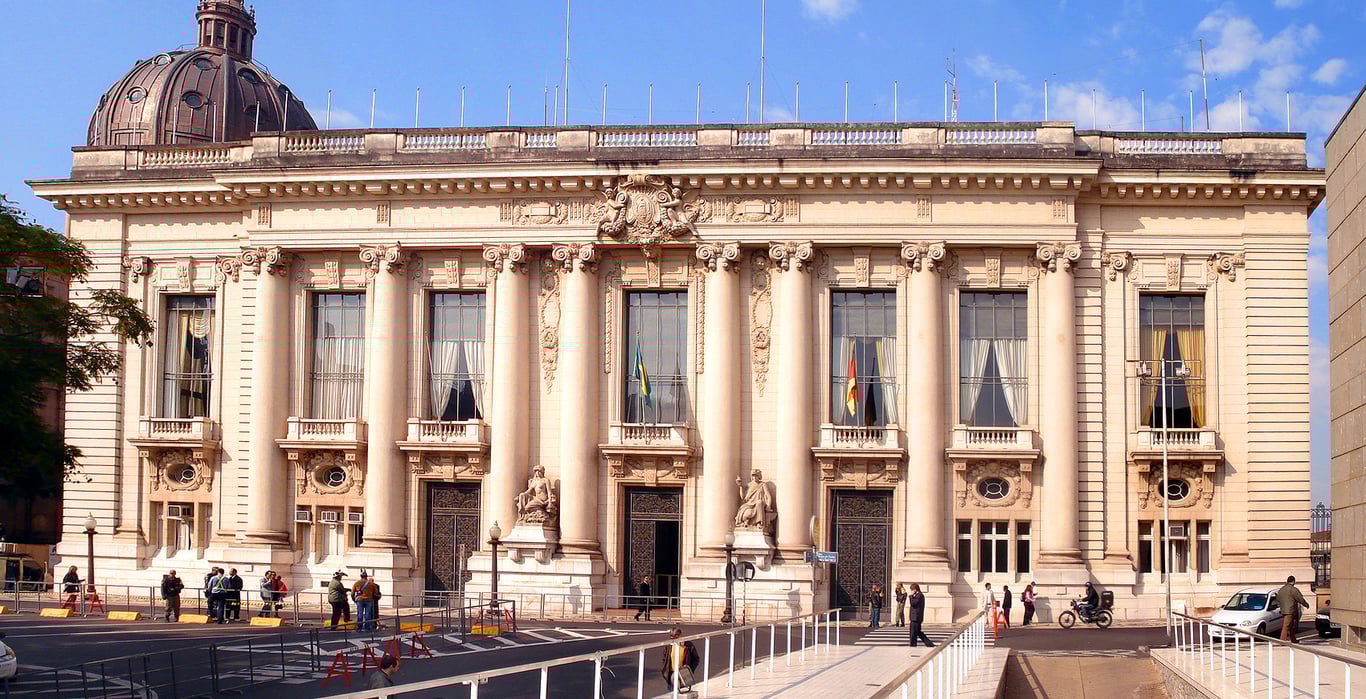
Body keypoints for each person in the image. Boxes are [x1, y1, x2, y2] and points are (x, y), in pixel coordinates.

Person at [660, 627, 699, 692]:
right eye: (671, 636)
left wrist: (690, 670)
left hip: (683, 674)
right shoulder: (669, 646)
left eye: (676, 635)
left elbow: (696, 659)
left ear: (680, 635)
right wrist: (665, 671)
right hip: (671, 674)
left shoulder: (688, 645)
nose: (673, 638)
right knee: (672, 693)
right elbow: (665, 659)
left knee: (682, 692)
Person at [1277, 575, 1310, 643]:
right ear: (1293, 581)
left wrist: (1281, 607)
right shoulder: (1293, 589)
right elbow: (1300, 599)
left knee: (1290, 625)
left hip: (1284, 610)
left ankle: (1293, 639)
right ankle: (1282, 641)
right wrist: (1306, 604)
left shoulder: (1281, 589)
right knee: (1286, 626)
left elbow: (1278, 599)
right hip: (1290, 610)